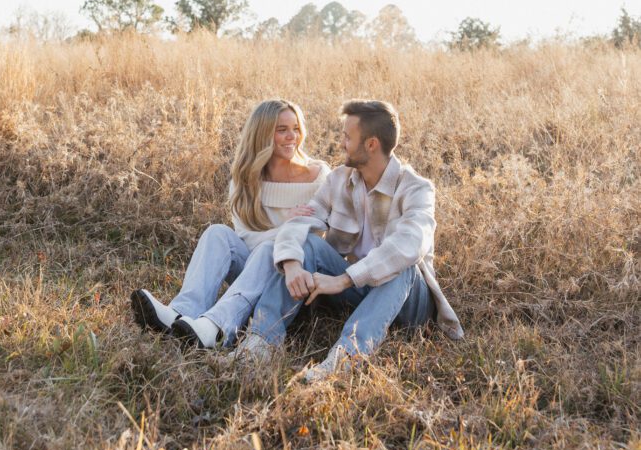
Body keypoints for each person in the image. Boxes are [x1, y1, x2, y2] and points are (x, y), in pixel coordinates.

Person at [236, 100, 463, 381]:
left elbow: (409, 245)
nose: (340, 143)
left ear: (370, 144)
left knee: (400, 263)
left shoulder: (417, 188)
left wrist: (343, 280)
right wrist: (292, 263)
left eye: (346, 137)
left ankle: (344, 359)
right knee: (308, 244)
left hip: (408, 303)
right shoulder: (339, 179)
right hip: (359, 288)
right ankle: (260, 344)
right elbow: (302, 222)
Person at [130, 99, 330, 347]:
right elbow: (246, 237)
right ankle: (180, 313)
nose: (292, 136)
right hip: (253, 269)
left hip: (293, 280)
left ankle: (215, 329)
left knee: (270, 249)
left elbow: (319, 238)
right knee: (217, 233)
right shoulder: (246, 178)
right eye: (282, 129)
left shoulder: (319, 175)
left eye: (296, 128)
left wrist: (284, 236)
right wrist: (284, 227)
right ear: (263, 134)